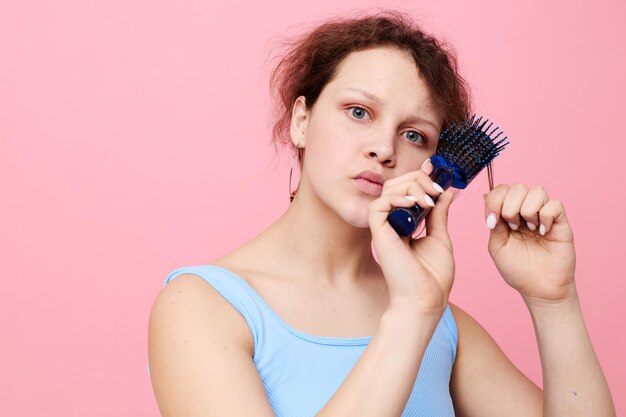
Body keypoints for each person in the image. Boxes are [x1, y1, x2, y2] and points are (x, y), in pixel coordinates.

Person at [147, 10, 616, 417]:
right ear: (301, 121)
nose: (383, 149)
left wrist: (553, 300)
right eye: (358, 112)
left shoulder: (443, 324)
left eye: (415, 135)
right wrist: (410, 315)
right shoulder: (202, 307)